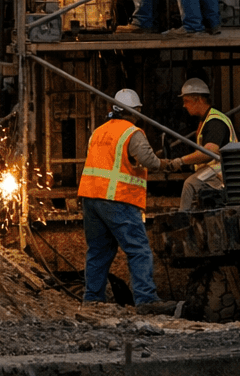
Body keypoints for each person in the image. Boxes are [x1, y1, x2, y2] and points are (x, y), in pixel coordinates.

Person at [78, 89, 183, 312]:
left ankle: (93, 299)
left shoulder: (98, 131)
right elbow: (148, 161)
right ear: (135, 112)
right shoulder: (132, 132)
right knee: (138, 249)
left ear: (112, 109)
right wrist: (166, 164)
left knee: (98, 251)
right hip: (118, 197)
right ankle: (146, 299)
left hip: (90, 197)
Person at [174, 78, 238, 212]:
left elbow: (209, 152)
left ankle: (183, 221)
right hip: (216, 172)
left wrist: (181, 161)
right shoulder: (206, 120)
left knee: (190, 184)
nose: (184, 106)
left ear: (198, 99)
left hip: (222, 173)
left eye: (186, 101)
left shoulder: (215, 122)